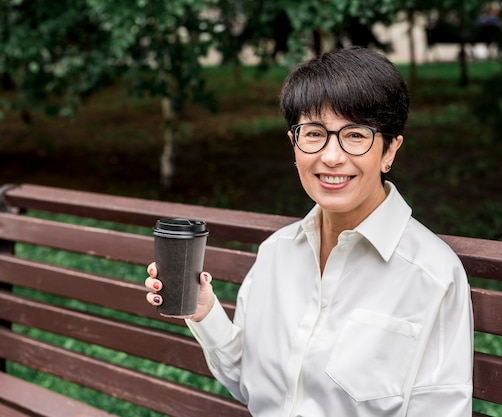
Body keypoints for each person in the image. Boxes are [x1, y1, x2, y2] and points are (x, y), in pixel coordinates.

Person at [145, 46, 474, 416]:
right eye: (314, 133)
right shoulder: (276, 253)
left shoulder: (431, 275)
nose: (331, 157)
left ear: (389, 151)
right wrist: (204, 312)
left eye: (355, 135)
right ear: (294, 146)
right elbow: (250, 386)